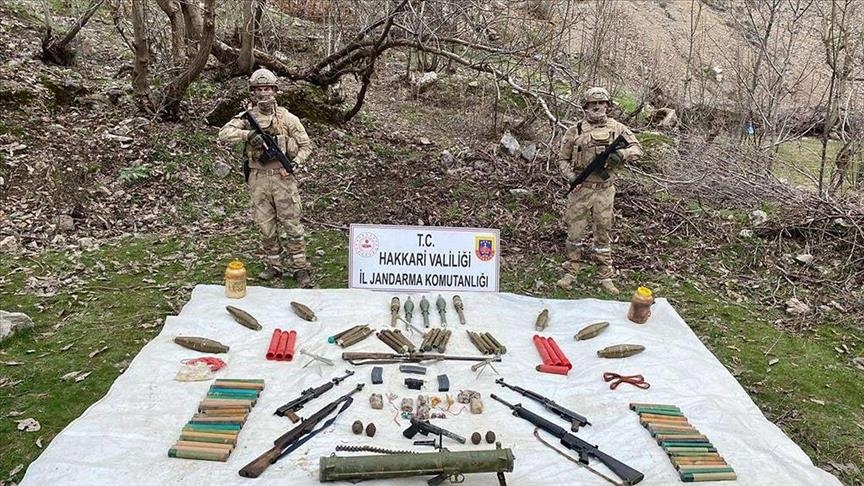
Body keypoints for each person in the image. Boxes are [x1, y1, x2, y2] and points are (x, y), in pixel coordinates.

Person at [218, 68, 314, 288]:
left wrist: (294, 165)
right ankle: (274, 265)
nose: (264, 93)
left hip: (282, 179)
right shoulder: (247, 118)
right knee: (265, 226)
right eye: (259, 89)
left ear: (275, 90)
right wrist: (248, 135)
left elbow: (306, 145)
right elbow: (223, 133)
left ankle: (300, 267)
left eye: (268, 88)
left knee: (292, 225)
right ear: (253, 92)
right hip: (258, 179)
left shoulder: (286, 118)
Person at [555, 86, 643, 295]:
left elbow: (638, 149)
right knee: (575, 232)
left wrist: (622, 155)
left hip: (605, 190)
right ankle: (571, 271)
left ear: (607, 105)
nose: (597, 107)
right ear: (585, 107)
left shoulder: (618, 128)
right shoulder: (575, 130)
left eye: (601, 103)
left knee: (603, 231)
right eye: (592, 103)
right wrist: (572, 178)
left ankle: (605, 275)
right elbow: (562, 159)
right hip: (581, 190)